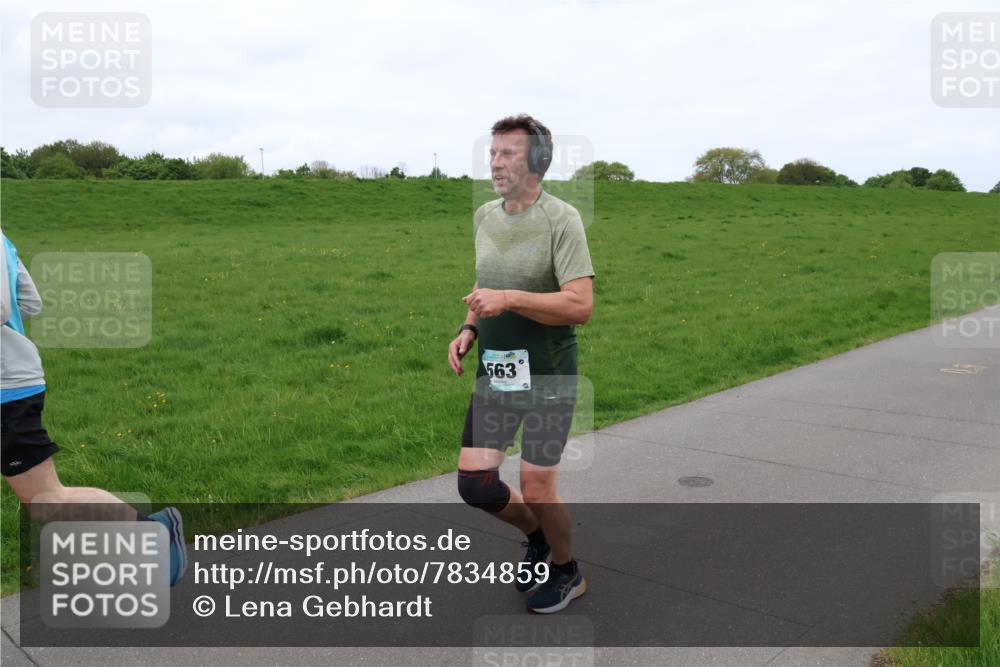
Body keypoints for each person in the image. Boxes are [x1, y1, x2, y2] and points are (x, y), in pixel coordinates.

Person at [448, 114, 595, 614]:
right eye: (492, 153)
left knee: (536, 486)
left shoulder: (562, 219)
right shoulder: (485, 216)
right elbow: (485, 280)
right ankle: (537, 537)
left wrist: (509, 298)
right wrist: (469, 327)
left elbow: (580, 305)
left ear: (537, 161)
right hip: (497, 373)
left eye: (507, 153)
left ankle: (567, 570)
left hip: (549, 375)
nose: (495, 162)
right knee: (475, 485)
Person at [1, 231, 187, 586]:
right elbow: (29, 302)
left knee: (45, 499)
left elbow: (3, 307)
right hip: (12, 378)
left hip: (7, 388)